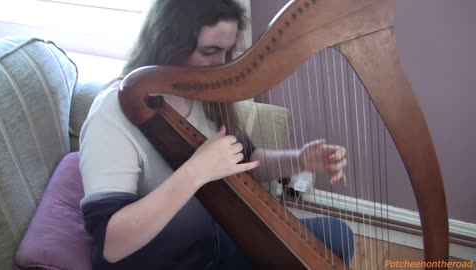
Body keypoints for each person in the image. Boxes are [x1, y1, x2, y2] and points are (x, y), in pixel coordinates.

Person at [79, 0, 354, 269]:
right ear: (168, 44)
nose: (222, 65)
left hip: (210, 244)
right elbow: (111, 245)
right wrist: (197, 170)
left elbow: (247, 160)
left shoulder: (204, 93)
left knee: (338, 237)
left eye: (227, 52)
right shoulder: (112, 113)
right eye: (210, 51)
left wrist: (301, 159)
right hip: (158, 261)